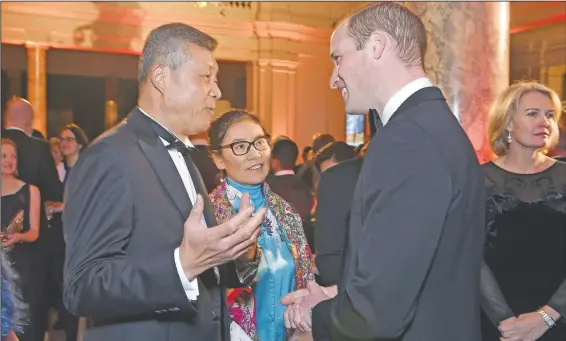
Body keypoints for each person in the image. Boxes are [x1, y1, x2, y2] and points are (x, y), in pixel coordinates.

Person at [281, 3, 485, 341]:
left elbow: (377, 315)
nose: (333, 78)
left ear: (376, 46)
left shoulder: (408, 139)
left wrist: (315, 324)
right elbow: (417, 274)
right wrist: (337, 296)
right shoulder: (430, 125)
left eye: (337, 58)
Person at [62, 23, 265, 341]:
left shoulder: (184, 155)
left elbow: (205, 270)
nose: (217, 91)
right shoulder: (109, 155)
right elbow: (83, 286)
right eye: (206, 76)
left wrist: (240, 250)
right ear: (161, 78)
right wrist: (180, 266)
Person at [208, 110, 314, 341]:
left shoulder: (286, 212)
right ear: (218, 158)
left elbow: (305, 276)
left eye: (259, 142)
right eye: (240, 147)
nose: (254, 154)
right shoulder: (210, 217)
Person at [480, 82, 566, 341]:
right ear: (507, 122)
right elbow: (470, 257)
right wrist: (505, 322)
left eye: (550, 115)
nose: (545, 122)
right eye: (532, 113)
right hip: (498, 324)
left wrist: (549, 315)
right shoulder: (477, 179)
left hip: (560, 317)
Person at [1, 138, 41, 341]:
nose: (9, 160)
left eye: (13, 156)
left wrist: (18, 237)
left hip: (21, 265)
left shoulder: (31, 190)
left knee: (22, 323)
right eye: (4, 156)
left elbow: (35, 232)